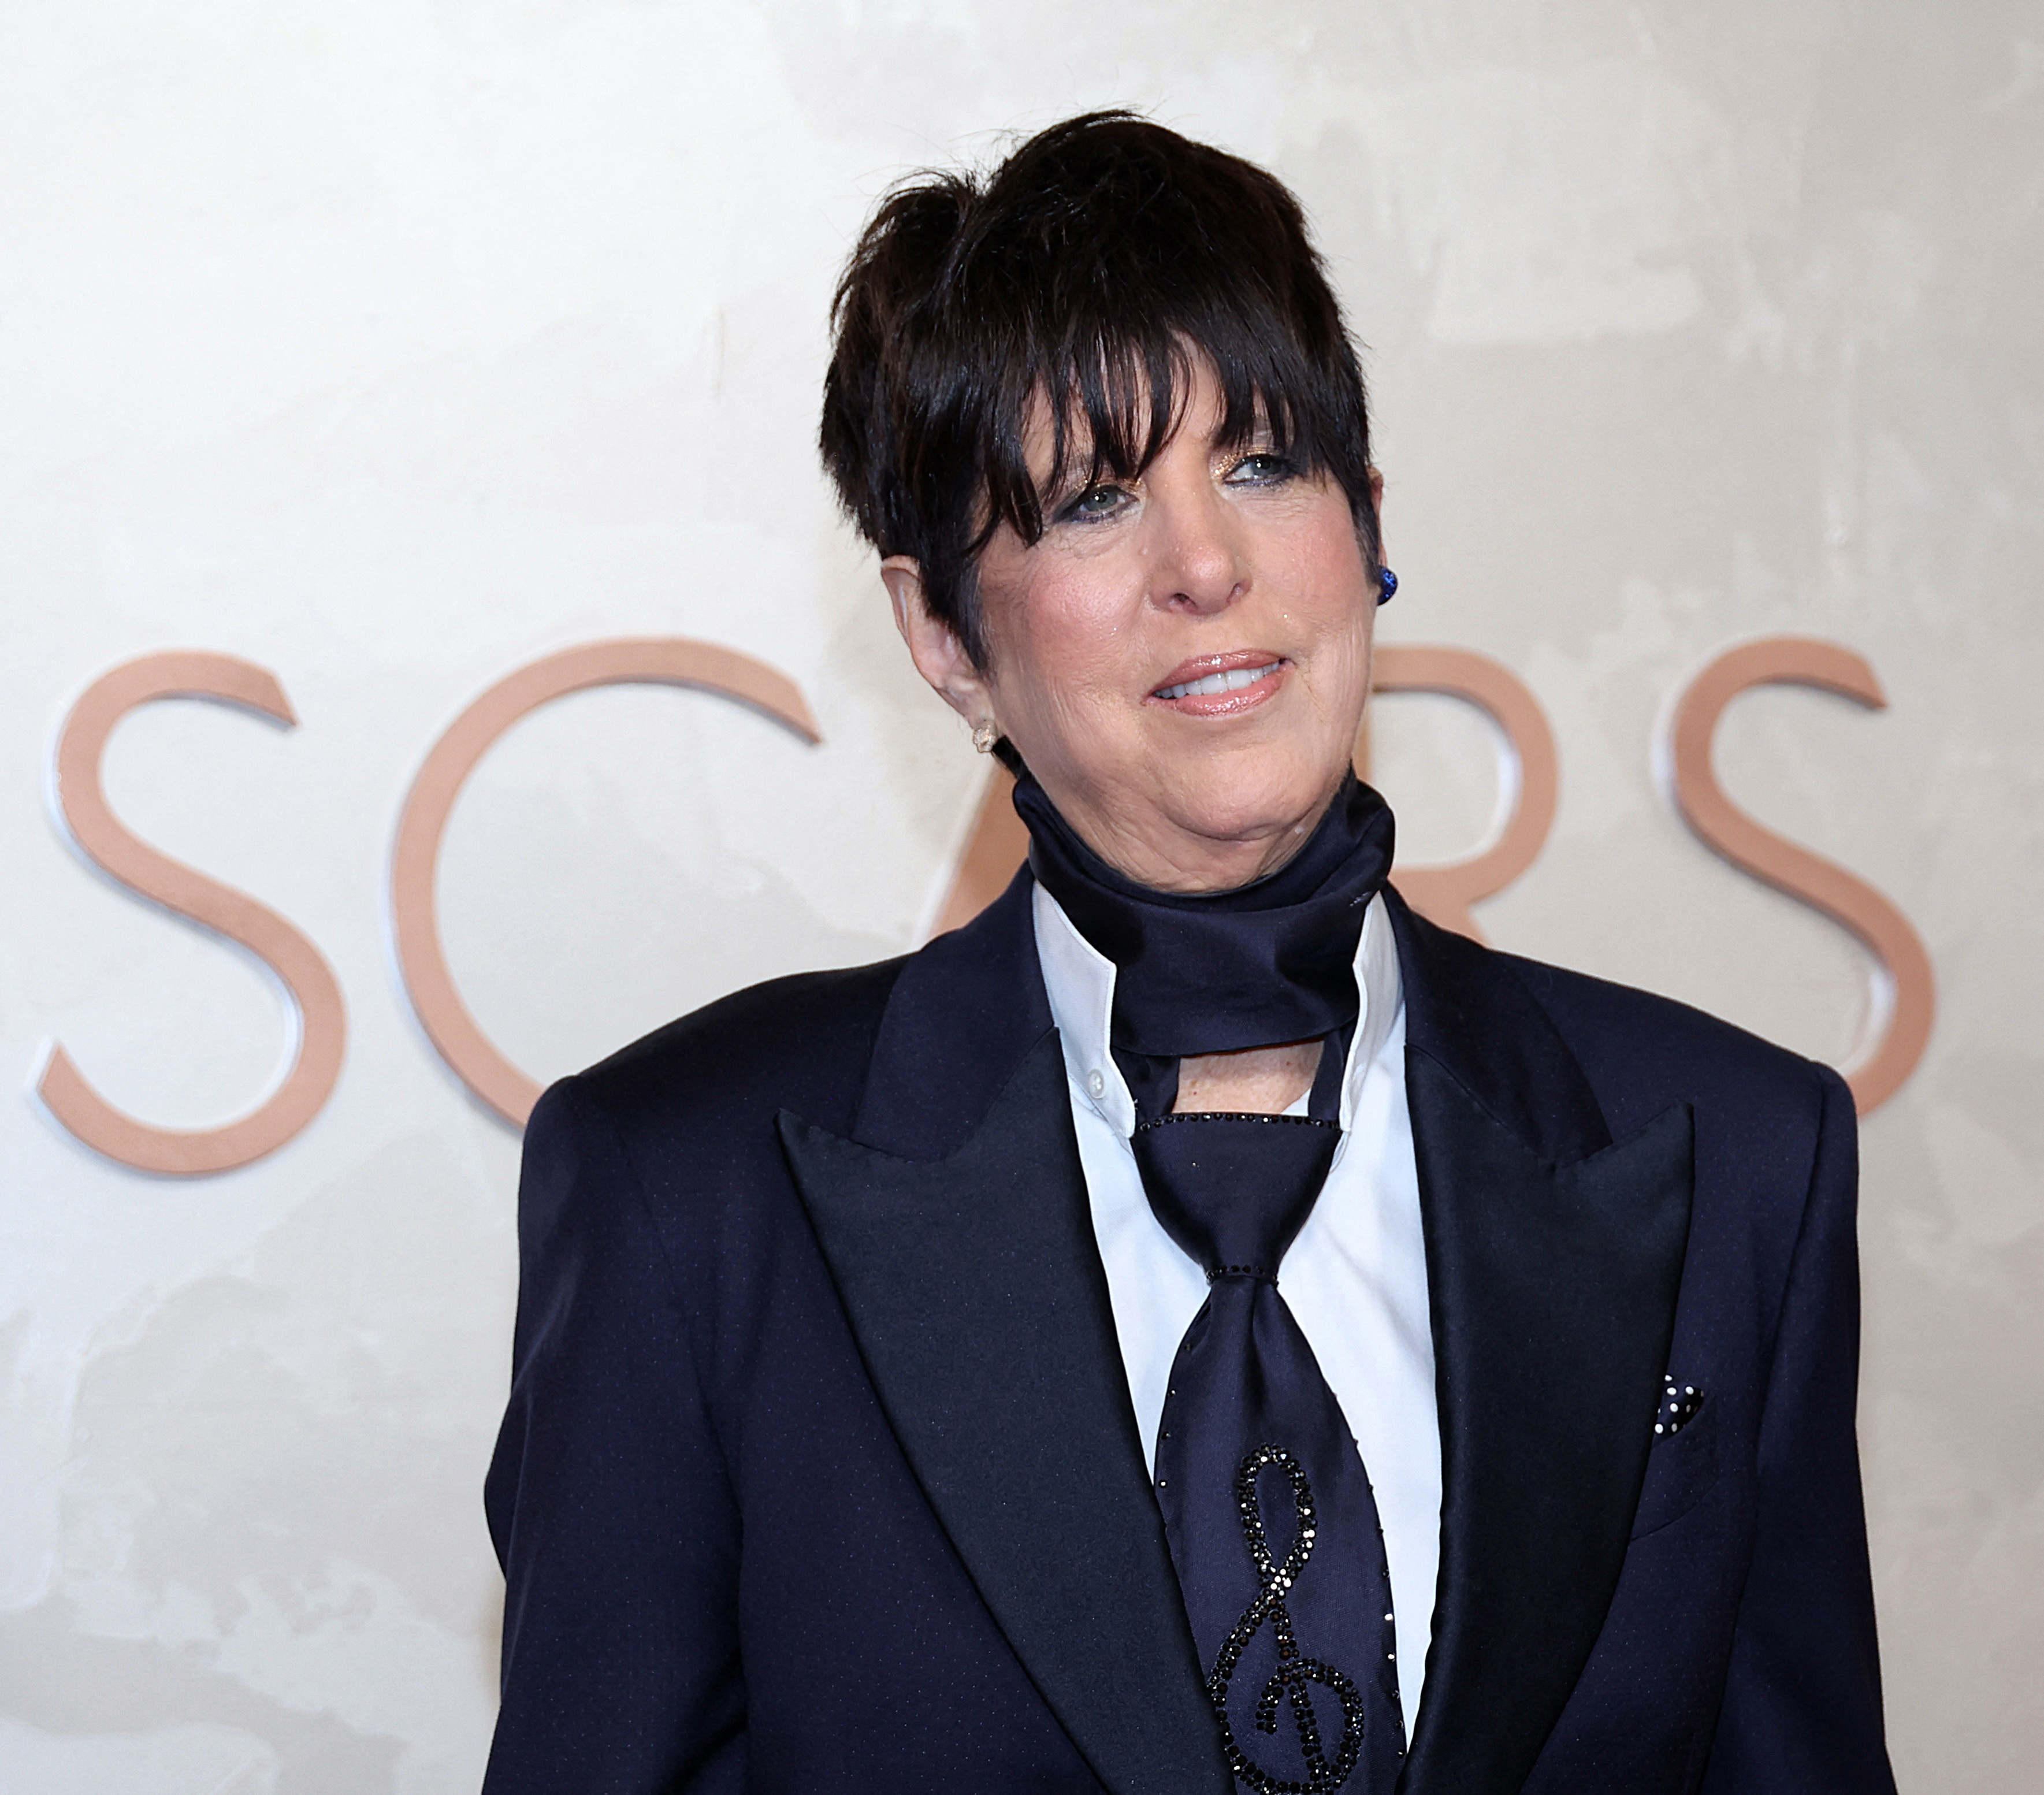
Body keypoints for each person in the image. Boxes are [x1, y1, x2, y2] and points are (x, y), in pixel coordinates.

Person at [481, 112, 1894, 1794]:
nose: (1205, 565)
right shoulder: (686, 1193)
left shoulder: (1741, 1156)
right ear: (940, 631)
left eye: (1258, 462)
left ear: (1362, 521)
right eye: (1091, 499)